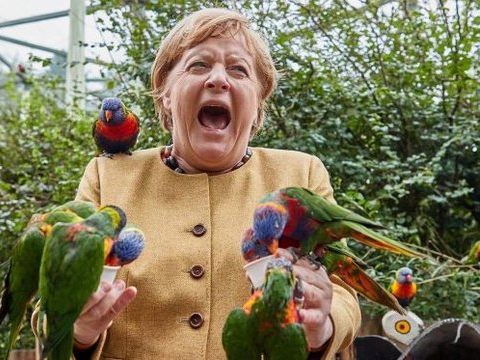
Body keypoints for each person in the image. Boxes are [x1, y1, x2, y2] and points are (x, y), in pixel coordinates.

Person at [64, 7, 360, 359]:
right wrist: (78, 329)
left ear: (257, 103)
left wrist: (322, 326)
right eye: (198, 65)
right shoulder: (107, 176)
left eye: (239, 69)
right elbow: (54, 298)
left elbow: (344, 294)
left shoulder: (302, 176)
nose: (218, 79)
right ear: (166, 95)